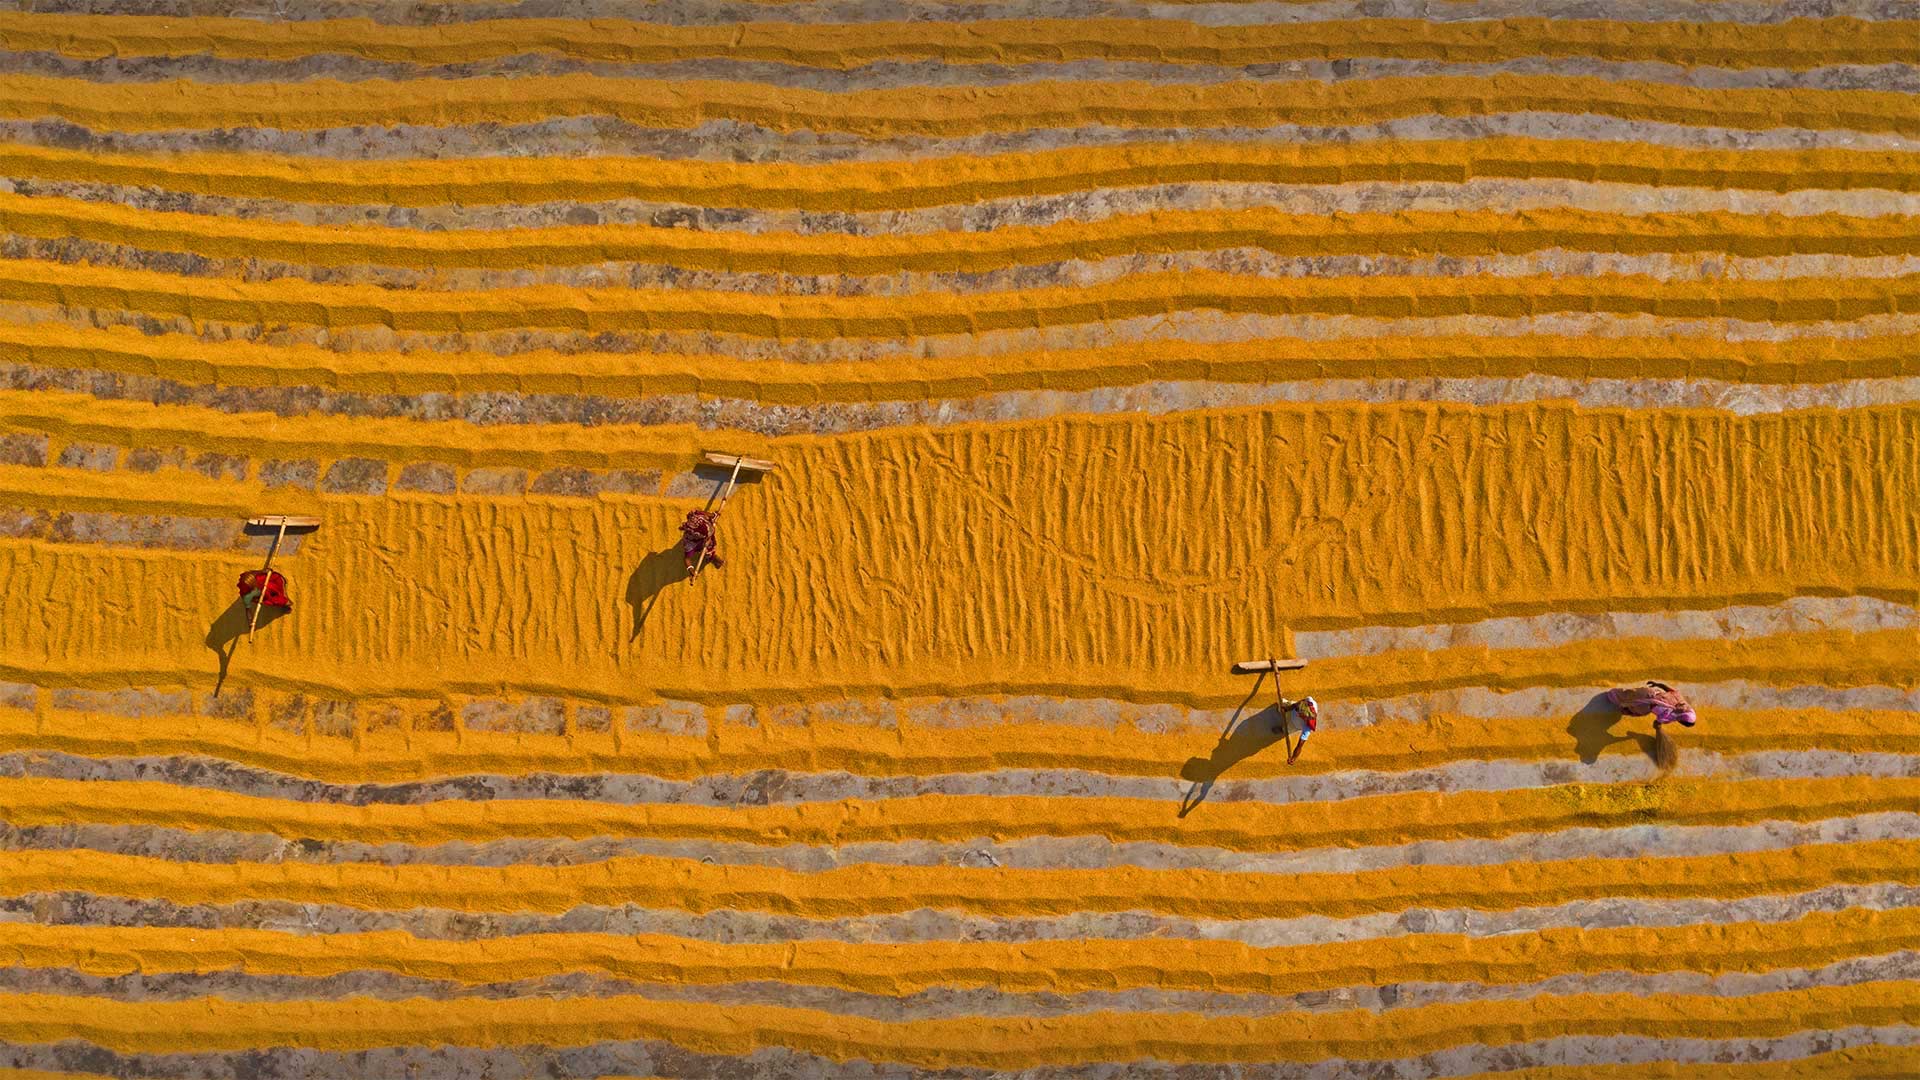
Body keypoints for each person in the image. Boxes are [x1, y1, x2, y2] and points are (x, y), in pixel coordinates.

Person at [1607, 680, 1696, 729]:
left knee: (1628, 694)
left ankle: (1617, 697)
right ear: (1682, 719)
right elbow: (1657, 721)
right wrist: (1658, 726)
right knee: (1635, 710)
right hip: (1645, 706)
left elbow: (1666, 688)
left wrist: (1657, 684)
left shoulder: (1680, 699)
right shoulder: (1671, 716)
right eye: (1682, 723)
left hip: (1649, 692)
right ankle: (1620, 703)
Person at [1273, 695, 1319, 763]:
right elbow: (1296, 705)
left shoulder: (1307, 728)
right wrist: (1287, 709)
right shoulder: (1309, 700)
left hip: (1294, 725)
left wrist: (1294, 758)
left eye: (1299, 713)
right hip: (1292, 707)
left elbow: (1299, 746)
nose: (1297, 712)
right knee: (1282, 702)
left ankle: (1282, 730)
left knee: (1286, 730)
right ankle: (1281, 710)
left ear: (1305, 717)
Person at [679, 508, 723, 576]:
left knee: (710, 544)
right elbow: (687, 559)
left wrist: (714, 515)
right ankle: (711, 557)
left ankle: (711, 555)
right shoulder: (689, 543)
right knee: (707, 548)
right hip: (698, 542)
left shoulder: (699, 516)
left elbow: (706, 514)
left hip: (706, 536)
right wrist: (691, 569)